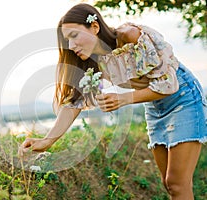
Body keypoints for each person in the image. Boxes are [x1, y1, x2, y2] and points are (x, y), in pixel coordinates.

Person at [18, 3, 207, 199]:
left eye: (74, 36)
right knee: (168, 185)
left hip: (183, 97)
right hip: (154, 105)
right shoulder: (93, 62)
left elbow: (168, 83)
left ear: (95, 27)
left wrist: (124, 98)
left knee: (177, 183)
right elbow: (75, 102)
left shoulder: (131, 37)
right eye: (67, 41)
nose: (71, 46)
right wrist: (47, 141)